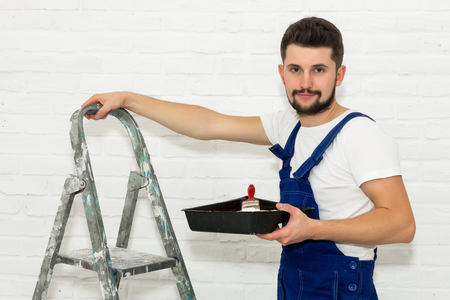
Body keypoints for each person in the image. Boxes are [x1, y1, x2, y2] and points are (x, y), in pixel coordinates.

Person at [82, 17, 415, 300]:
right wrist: (128, 98)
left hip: (341, 285)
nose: (306, 83)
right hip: (295, 279)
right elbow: (208, 124)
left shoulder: (360, 135)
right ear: (282, 72)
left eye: (319, 70)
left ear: (339, 75)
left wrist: (313, 229)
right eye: (296, 69)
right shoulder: (289, 126)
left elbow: (402, 225)